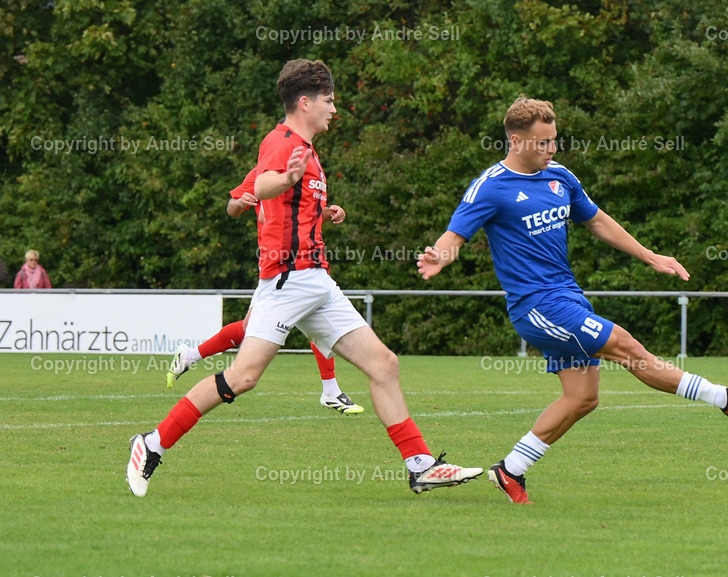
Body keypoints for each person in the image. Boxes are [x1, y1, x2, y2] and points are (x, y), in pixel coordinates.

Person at [126, 59, 481, 497]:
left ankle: (420, 464)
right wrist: (283, 180)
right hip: (287, 281)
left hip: (317, 282)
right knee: (243, 377)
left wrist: (323, 213)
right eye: (329, 100)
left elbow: (268, 200)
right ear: (305, 102)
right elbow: (266, 184)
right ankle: (152, 443)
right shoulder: (282, 142)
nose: (335, 109)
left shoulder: (307, 151)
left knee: (384, 364)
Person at [417, 95, 728, 504]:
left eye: (554, 140)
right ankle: (726, 399)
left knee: (583, 397)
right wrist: (439, 257)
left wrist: (650, 255)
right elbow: (454, 235)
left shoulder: (561, 177)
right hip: (538, 307)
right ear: (516, 140)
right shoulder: (491, 187)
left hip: (569, 298)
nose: (551, 149)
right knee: (628, 346)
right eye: (543, 142)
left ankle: (511, 470)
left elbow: (598, 221)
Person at [166, 168, 364, 415]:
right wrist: (239, 202)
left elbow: (307, 219)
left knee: (306, 323)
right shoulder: (263, 171)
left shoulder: (310, 170)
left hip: (307, 266)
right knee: (253, 331)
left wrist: (331, 212)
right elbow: (232, 209)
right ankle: (189, 359)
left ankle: (331, 391)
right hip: (279, 269)